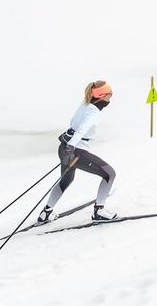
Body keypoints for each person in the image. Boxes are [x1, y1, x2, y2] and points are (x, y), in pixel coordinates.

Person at [39, 81, 119, 223]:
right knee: (109, 174)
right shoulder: (93, 111)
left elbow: (73, 124)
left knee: (66, 180)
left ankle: (46, 213)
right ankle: (99, 212)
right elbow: (82, 129)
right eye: (109, 95)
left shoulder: (85, 105)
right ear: (102, 96)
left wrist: (68, 147)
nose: (110, 98)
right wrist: (71, 147)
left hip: (64, 149)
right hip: (74, 151)